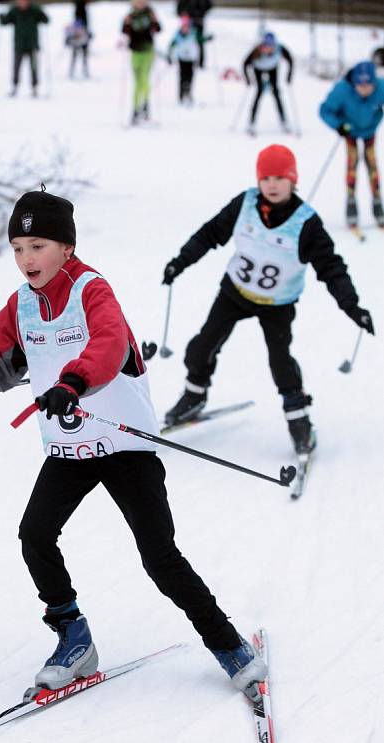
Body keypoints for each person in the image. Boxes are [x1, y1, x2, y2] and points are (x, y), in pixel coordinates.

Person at [0, 185, 267, 701]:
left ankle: (228, 644)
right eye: (17, 248)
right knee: (35, 536)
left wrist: (73, 382)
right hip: (71, 449)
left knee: (159, 557)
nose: (25, 259)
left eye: (37, 246)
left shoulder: (92, 291)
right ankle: (74, 639)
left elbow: (108, 343)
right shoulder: (23, 306)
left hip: (126, 445)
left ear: (66, 247)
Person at [162, 145, 374, 454]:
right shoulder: (245, 204)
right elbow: (210, 233)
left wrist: (353, 307)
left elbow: (332, 269)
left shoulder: (306, 224)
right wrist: (179, 262)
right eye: (266, 178)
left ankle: (300, 421)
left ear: (293, 180)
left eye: (280, 178)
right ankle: (194, 396)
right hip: (234, 293)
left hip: (278, 304)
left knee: (281, 362)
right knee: (202, 346)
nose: (272, 185)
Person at [319, 61, 384, 229]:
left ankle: (377, 202)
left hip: (369, 130)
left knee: (372, 164)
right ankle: (351, 201)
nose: (364, 89)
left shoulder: (381, 87)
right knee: (352, 164)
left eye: (368, 85)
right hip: (350, 131)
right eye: (360, 85)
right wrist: (338, 125)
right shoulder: (342, 90)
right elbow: (325, 110)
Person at [243, 32, 293, 136]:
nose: (268, 48)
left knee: (276, 94)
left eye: (270, 46)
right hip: (258, 69)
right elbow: (245, 64)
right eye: (266, 45)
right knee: (259, 93)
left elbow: (290, 60)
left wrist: (288, 76)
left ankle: (284, 121)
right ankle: (251, 123)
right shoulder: (256, 50)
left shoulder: (279, 48)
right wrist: (248, 80)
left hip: (272, 69)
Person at [121, 0, 161, 125]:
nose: (140, 3)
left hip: (148, 51)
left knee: (143, 79)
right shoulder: (131, 15)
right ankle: (138, 108)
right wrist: (126, 23)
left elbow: (158, 29)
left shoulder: (150, 13)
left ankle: (143, 106)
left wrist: (155, 21)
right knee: (137, 81)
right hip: (135, 51)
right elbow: (125, 31)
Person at [0, 0, 49, 98]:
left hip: (32, 45)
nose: (22, 2)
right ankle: (15, 87)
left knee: (34, 67)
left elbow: (45, 20)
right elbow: (4, 22)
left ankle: (34, 88)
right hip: (19, 45)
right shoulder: (14, 11)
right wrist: (1, 16)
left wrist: (42, 13)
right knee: (16, 67)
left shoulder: (34, 10)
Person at [168, 14, 211, 104]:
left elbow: (201, 39)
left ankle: (188, 93)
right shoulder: (178, 36)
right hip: (182, 59)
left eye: (187, 27)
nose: (185, 29)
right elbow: (172, 45)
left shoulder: (193, 34)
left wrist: (208, 38)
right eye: (184, 27)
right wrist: (169, 55)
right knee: (182, 77)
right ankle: (181, 94)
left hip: (191, 59)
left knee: (190, 76)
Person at [176, 0, 212, 69]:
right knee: (185, 41)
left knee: (199, 41)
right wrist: (183, 13)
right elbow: (180, 7)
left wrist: (201, 13)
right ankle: (184, 60)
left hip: (199, 21)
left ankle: (200, 63)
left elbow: (209, 5)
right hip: (187, 21)